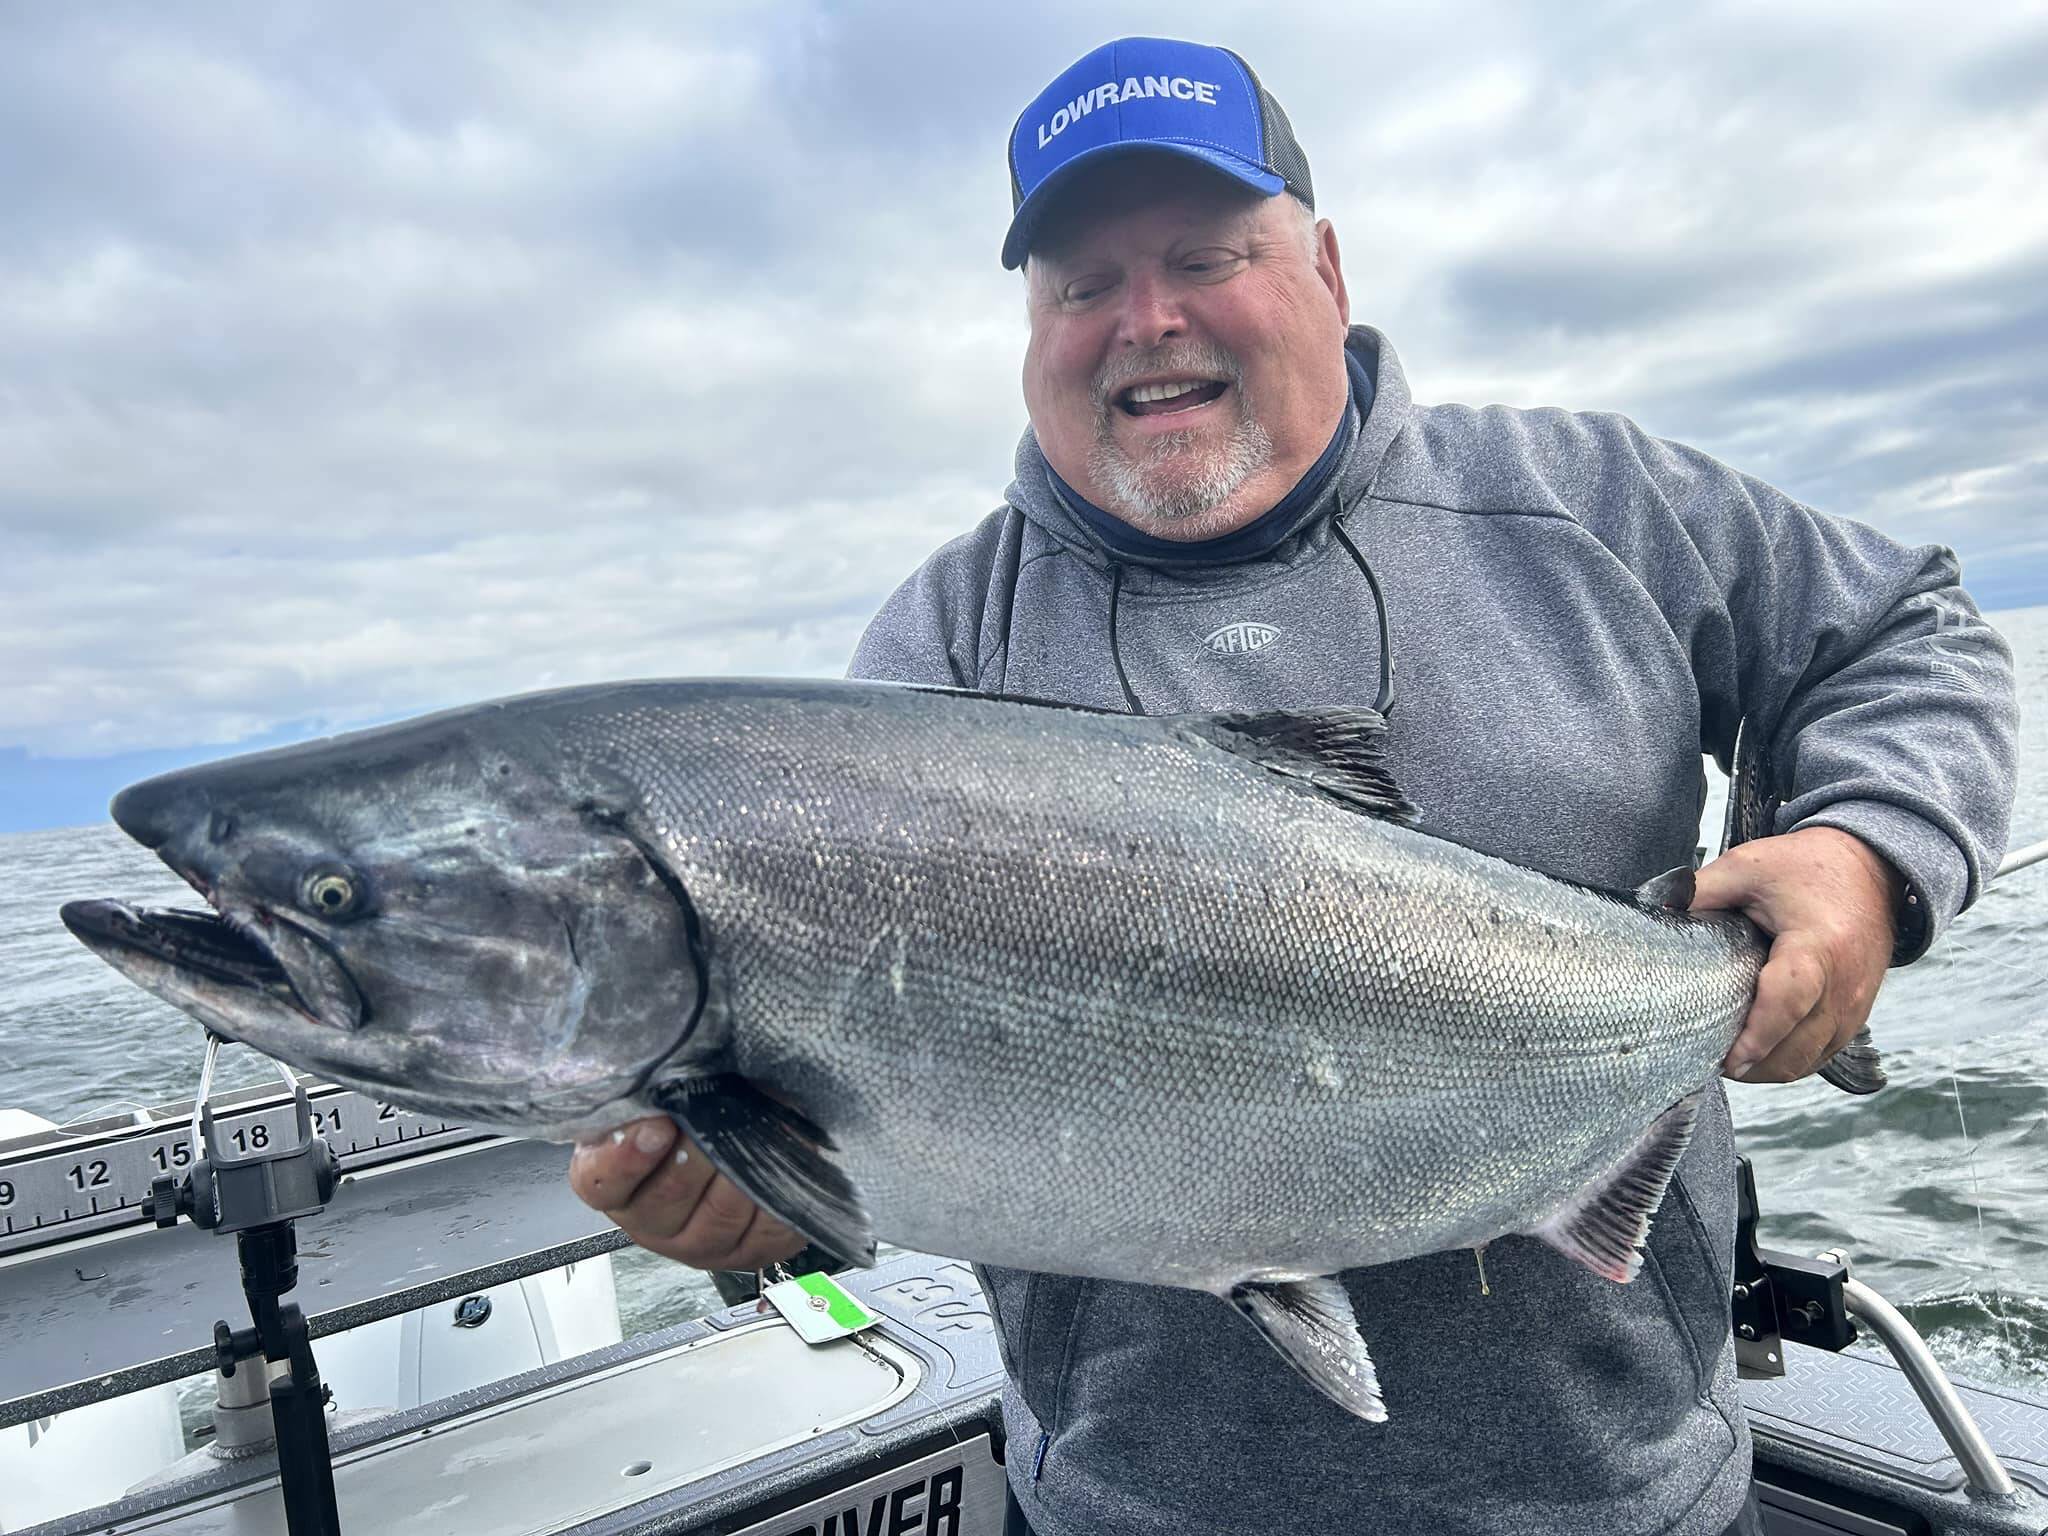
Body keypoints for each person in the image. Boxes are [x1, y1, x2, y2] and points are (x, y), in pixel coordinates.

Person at [569, 36, 2019, 1536]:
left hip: (1626, 1495)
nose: (1146, 320)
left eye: (1205, 257)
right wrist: (771, 1210)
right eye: (1082, 284)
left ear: (1325, 268)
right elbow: (884, 1111)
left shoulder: (1594, 507)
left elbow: (1907, 630)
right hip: (1128, 1510)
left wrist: (1866, 858)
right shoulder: (939, 656)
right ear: (1030, 326)